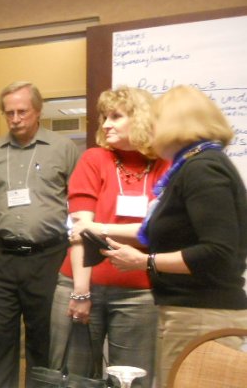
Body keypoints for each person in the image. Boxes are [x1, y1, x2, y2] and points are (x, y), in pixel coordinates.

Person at [101, 85, 247, 388]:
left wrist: (145, 262)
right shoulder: (195, 165)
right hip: (190, 312)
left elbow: (217, 252)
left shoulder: (203, 169)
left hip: (201, 315)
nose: (148, 128)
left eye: (154, 121)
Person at [50, 87, 168, 388]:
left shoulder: (165, 165)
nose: (105, 124)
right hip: (81, 283)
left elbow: (156, 230)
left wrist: (100, 228)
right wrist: (80, 291)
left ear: (140, 118)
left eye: (116, 116)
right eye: (104, 117)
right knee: (72, 379)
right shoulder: (94, 159)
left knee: (132, 379)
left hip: (138, 294)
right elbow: (79, 231)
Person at [0, 81, 80, 388]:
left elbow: (80, 204)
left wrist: (76, 254)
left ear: (38, 111)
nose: (16, 118)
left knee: (44, 338)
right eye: (9, 113)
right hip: (1, 258)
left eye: (22, 111)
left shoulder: (64, 149)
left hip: (49, 256)